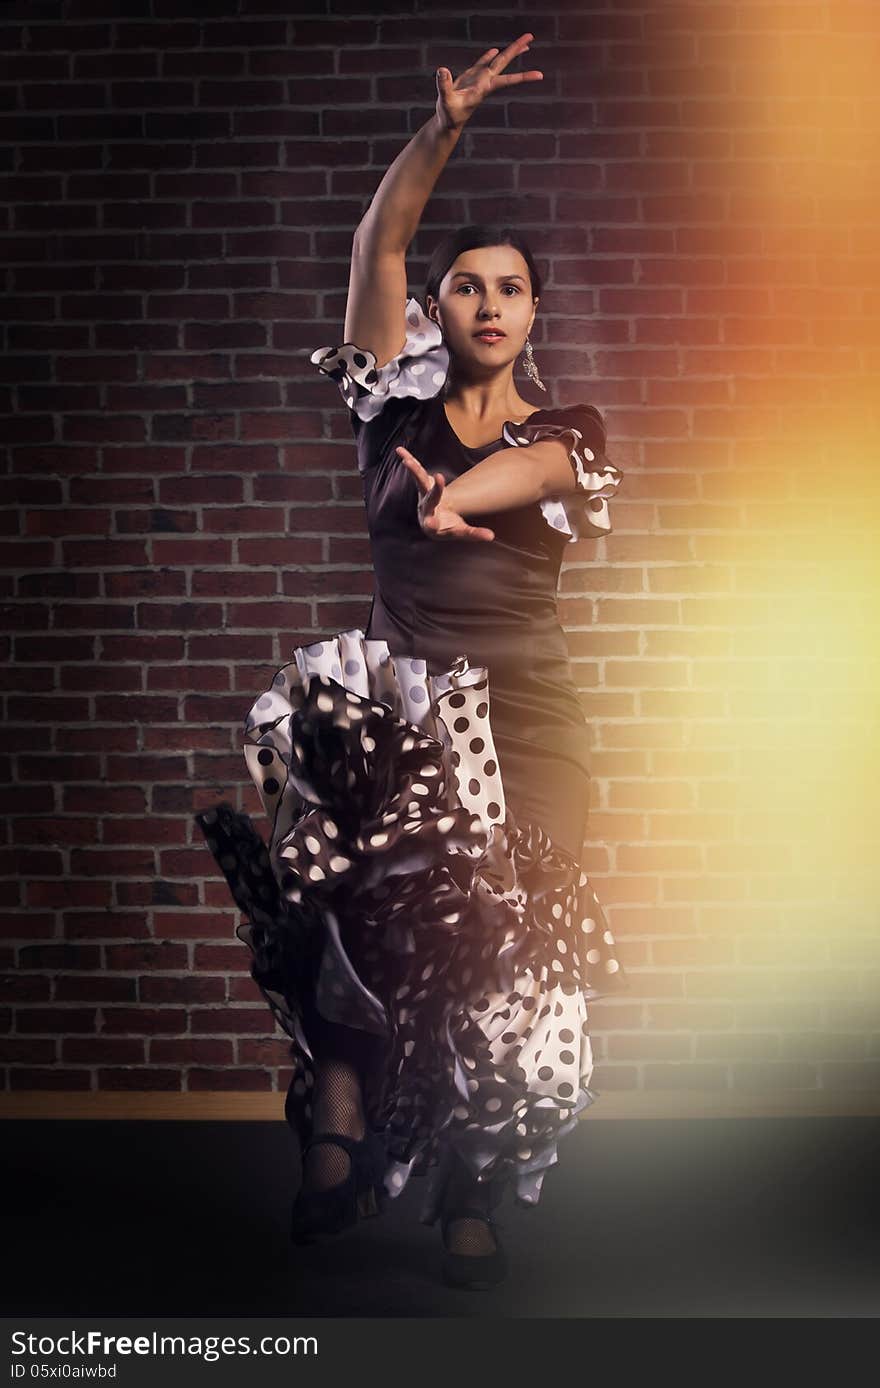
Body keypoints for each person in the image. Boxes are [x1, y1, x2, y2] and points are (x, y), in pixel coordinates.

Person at [195, 32, 628, 1291]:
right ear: (437, 310)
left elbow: (537, 474)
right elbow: (374, 249)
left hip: (533, 722)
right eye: (465, 287)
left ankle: (470, 1193)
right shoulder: (388, 412)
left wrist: (458, 502)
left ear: (533, 311)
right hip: (400, 717)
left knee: (509, 953)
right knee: (358, 924)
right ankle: (333, 1132)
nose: (487, 302)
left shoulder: (569, 434)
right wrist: (441, 132)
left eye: (509, 287)